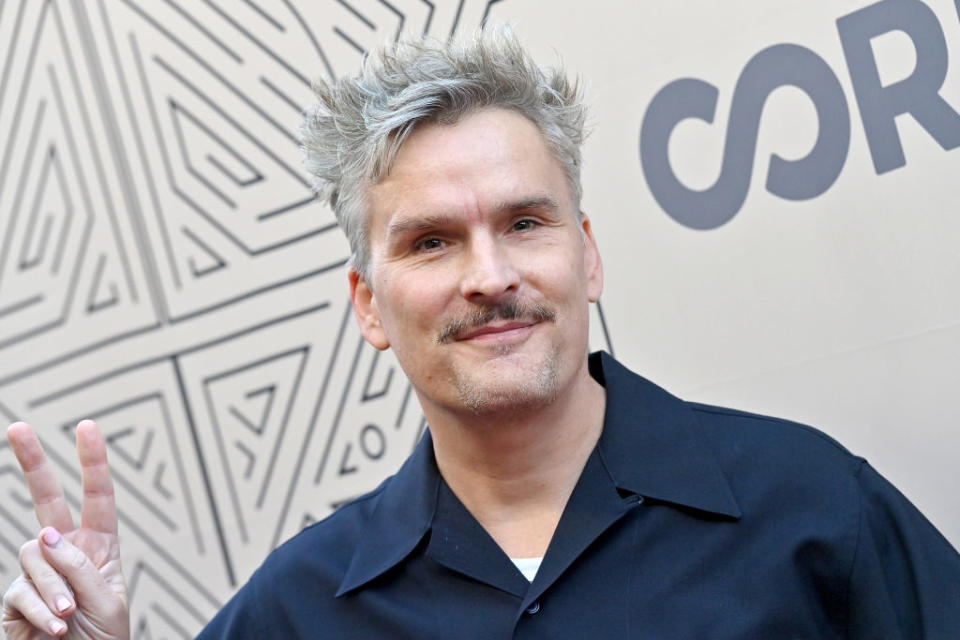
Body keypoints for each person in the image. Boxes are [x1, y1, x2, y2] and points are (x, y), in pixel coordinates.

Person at [3, 29, 959, 640]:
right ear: (369, 305)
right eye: (429, 241)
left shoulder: (811, 508)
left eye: (525, 223)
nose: (489, 274)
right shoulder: (296, 612)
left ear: (587, 257)